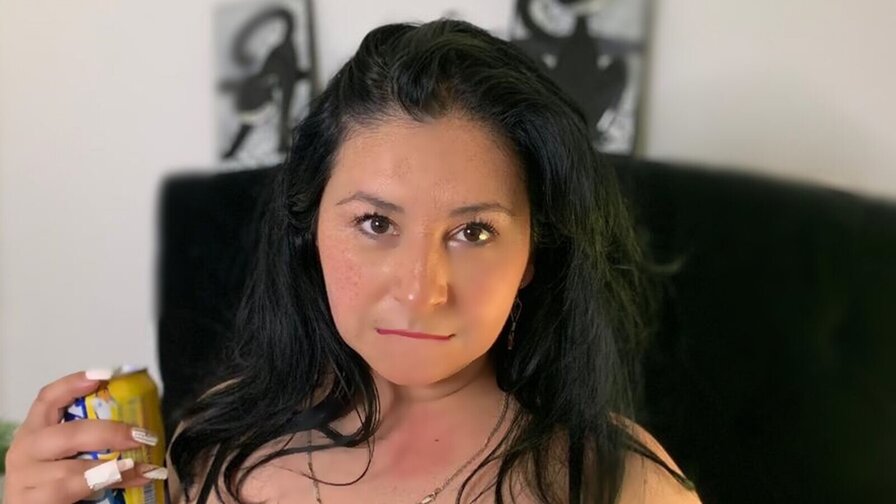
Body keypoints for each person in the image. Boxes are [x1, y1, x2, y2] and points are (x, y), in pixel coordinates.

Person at [4, 19, 701, 504]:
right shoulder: (216, 442)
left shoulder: (617, 484)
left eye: (473, 232)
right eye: (375, 223)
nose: (420, 291)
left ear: (532, 257)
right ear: (309, 229)